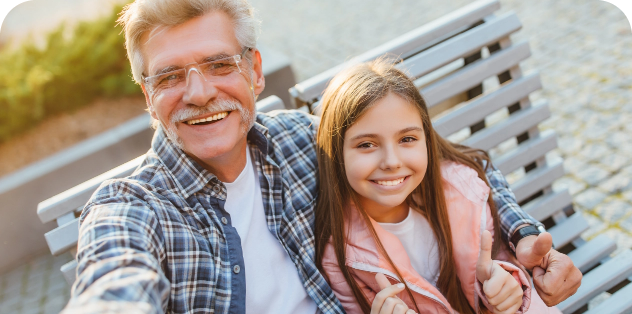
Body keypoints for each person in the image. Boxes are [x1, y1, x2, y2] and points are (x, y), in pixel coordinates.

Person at [62, 0, 580, 313]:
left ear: (254, 72)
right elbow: (115, 279)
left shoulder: (302, 141)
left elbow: (457, 166)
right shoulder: (131, 208)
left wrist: (524, 235)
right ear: (148, 96)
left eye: (219, 64)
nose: (198, 93)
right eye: (170, 76)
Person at [315, 59, 562, 314]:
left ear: (426, 139)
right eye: (366, 144)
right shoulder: (341, 254)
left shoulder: (463, 192)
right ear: (336, 152)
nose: (391, 162)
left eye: (407, 139)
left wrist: (504, 295)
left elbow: (500, 276)